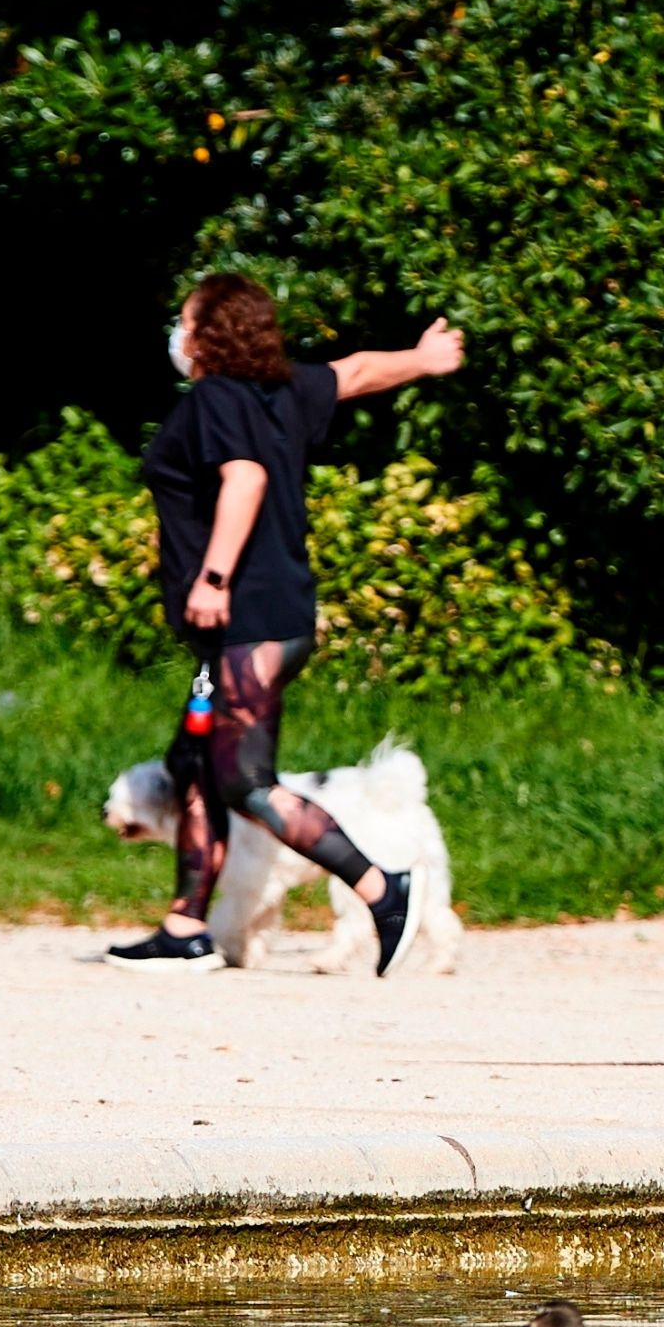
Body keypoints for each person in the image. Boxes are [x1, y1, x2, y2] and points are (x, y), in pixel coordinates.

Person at [107, 273, 462, 974]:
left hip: (246, 619)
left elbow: (245, 479)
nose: (177, 336)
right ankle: (184, 929)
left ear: (208, 333)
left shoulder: (214, 399)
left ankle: (381, 887)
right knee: (199, 768)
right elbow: (356, 371)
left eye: (184, 320)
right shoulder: (285, 390)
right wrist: (421, 359)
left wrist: (212, 577)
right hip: (257, 623)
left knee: (245, 780)